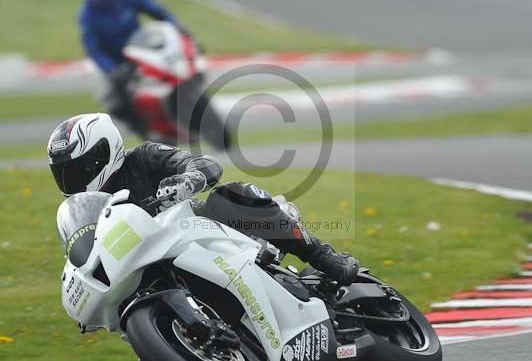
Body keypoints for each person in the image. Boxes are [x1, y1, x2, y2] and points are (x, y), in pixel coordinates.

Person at [48, 113, 359, 292]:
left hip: (199, 233)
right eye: (63, 174)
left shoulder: (143, 157)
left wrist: (189, 180)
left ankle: (324, 257)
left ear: (104, 153)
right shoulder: (87, 209)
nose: (72, 181)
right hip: (148, 265)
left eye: (78, 170)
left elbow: (201, 162)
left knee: (233, 194)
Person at [78, 0, 192, 133]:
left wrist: (176, 26)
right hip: (116, 62)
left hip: (142, 49)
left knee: (178, 64)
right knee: (115, 101)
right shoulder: (88, 14)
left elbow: (155, 10)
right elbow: (93, 49)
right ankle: (143, 129)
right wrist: (111, 69)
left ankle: (189, 100)